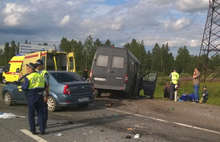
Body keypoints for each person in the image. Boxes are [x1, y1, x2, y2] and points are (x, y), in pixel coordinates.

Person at [21, 63, 46, 135]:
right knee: (40, 113)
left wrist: (22, 86)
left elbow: (24, 88)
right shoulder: (41, 76)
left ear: (31, 69)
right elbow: (44, 86)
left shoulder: (28, 77)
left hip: (31, 96)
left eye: (27, 69)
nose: (26, 70)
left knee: (31, 114)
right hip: (40, 96)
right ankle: (42, 130)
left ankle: (33, 130)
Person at [35, 59, 49, 128]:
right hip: (37, 94)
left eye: (38, 65)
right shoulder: (37, 73)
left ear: (42, 65)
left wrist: (45, 95)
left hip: (43, 93)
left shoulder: (44, 73)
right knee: (38, 109)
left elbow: (47, 84)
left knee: (43, 109)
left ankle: (44, 123)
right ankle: (39, 121)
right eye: (36, 65)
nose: (37, 66)